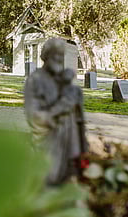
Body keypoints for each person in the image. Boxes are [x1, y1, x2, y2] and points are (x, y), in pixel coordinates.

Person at [24, 38, 88, 185]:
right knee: (49, 176)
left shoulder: (62, 79)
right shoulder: (35, 79)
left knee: (69, 174)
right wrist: (52, 115)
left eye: (61, 55)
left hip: (69, 135)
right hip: (50, 135)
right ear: (46, 55)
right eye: (55, 55)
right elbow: (31, 113)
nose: (58, 59)